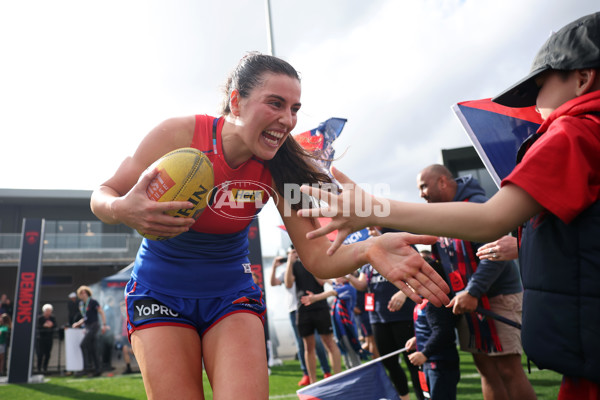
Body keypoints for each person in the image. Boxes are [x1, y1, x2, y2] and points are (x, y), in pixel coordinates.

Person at [89, 52, 449, 399]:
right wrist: (123, 209)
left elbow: (319, 259)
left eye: (294, 109)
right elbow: (102, 195)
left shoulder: (281, 165)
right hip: (159, 292)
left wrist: (368, 249)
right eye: (275, 103)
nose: (289, 119)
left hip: (231, 297)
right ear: (236, 101)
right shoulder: (179, 134)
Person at [298, 12, 600, 399]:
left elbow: (492, 218)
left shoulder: (575, 130)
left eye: (540, 85)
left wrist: (376, 208)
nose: (535, 104)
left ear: (582, 78)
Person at [416, 164, 534, 400]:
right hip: (467, 301)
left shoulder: (478, 205)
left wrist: (472, 291)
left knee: (509, 370)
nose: (421, 194)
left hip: (496, 298)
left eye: (423, 186)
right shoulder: (442, 215)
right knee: (486, 370)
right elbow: (442, 264)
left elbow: (495, 255)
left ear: (442, 182)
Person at [345, 233, 425, 400]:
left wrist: (404, 294)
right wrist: (347, 276)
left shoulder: (398, 251)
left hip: (402, 316)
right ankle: (404, 397)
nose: (370, 231)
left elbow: (418, 274)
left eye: (373, 228)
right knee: (389, 362)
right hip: (378, 318)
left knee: (412, 362)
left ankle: (422, 396)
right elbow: (362, 284)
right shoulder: (368, 261)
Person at [270, 248, 332, 386]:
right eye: (291, 253)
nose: (293, 255)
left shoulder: (306, 265)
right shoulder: (289, 268)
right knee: (302, 344)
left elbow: (321, 281)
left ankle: (326, 370)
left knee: (319, 342)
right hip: (294, 309)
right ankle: (307, 374)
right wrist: (277, 265)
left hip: (310, 306)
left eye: (295, 252)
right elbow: (280, 282)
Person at [284, 247, 342, 383]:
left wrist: (308, 261)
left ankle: (338, 378)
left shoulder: (314, 261)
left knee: (329, 342)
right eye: (294, 251)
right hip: (303, 309)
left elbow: (322, 281)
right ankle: (313, 381)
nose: (296, 253)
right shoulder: (294, 265)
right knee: (308, 346)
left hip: (320, 307)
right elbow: (288, 283)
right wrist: (289, 261)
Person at [405, 258, 460, 400]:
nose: (408, 282)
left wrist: (424, 353)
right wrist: (418, 339)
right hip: (431, 364)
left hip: (440, 365)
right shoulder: (424, 302)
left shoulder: (434, 303)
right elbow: (434, 328)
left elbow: (443, 332)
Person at [300, 275, 368, 369]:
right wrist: (314, 271)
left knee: (352, 353)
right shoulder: (340, 286)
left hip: (347, 328)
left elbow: (332, 292)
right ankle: (350, 374)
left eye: (340, 276)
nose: (337, 278)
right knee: (345, 355)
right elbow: (327, 280)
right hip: (339, 329)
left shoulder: (348, 288)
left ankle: (359, 373)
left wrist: (315, 297)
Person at [72, 285, 107, 377]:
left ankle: (86, 369)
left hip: (94, 326)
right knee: (92, 348)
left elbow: (101, 312)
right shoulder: (81, 304)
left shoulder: (93, 302)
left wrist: (104, 325)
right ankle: (97, 370)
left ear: (87, 293)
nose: (83, 294)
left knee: (83, 345)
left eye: (84, 292)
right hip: (88, 327)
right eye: (81, 293)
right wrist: (78, 324)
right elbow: (85, 318)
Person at [36, 303, 56, 373]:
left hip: (49, 338)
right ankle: (39, 368)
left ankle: (45, 368)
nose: (48, 312)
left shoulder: (52, 318)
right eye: (47, 311)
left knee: (48, 354)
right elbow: (38, 327)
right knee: (40, 354)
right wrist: (45, 326)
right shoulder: (40, 318)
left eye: (50, 311)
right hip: (41, 338)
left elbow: (55, 326)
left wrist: (51, 325)